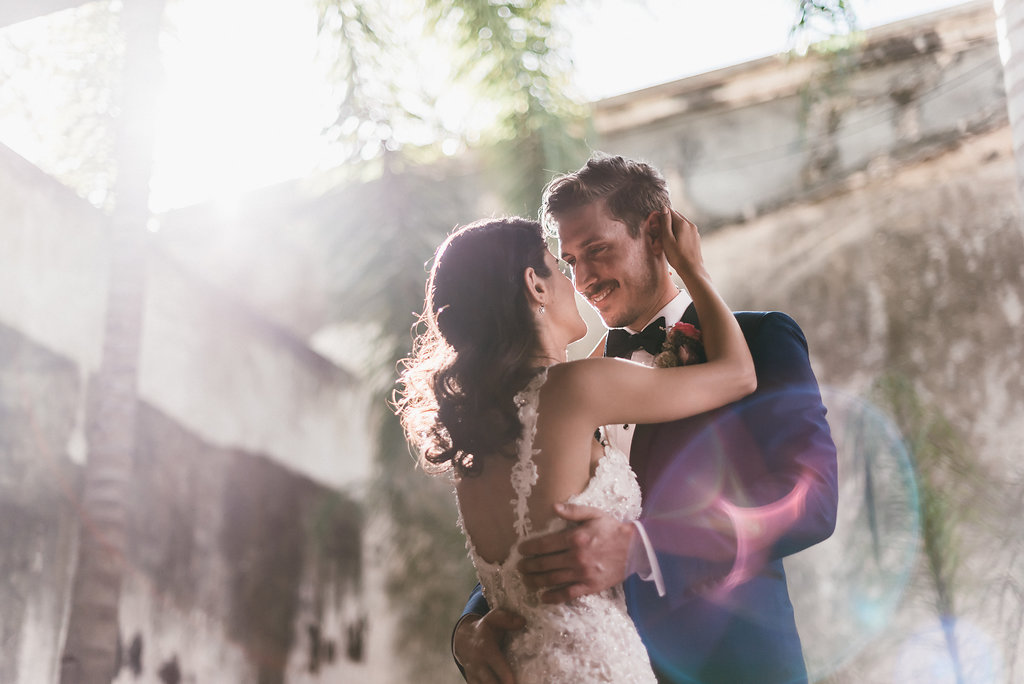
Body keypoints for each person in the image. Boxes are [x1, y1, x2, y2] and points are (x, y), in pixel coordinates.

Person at [452, 155, 839, 684]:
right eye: (568, 262)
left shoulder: (763, 340)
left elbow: (812, 501)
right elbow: (536, 525)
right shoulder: (576, 385)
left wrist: (645, 548)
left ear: (656, 233)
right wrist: (471, 624)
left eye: (597, 251)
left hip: (734, 667)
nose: (583, 279)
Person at [396, 209, 757, 683]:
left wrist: (467, 630)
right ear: (535, 284)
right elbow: (737, 375)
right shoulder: (577, 387)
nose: (577, 281)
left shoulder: (473, 440)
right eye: (558, 264)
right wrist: (692, 268)